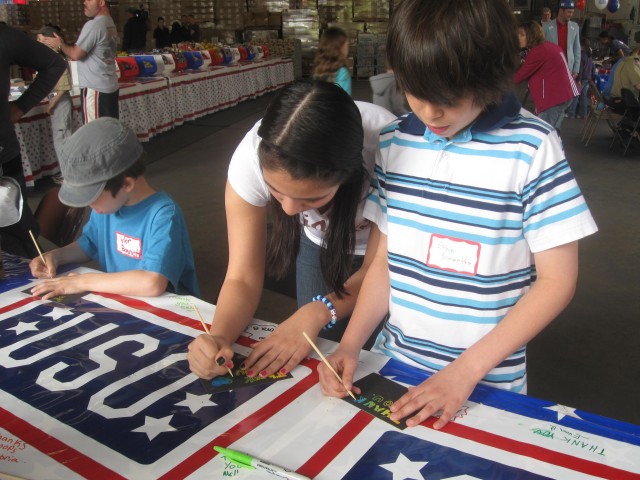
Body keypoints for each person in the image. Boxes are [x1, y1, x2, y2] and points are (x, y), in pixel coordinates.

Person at [318, 0, 597, 431]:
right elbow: (385, 267)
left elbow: (557, 280)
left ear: (487, 75)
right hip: (398, 366)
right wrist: (352, 345)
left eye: (447, 97)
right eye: (415, 91)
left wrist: (464, 373)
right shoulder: (396, 141)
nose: (430, 112)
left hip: (486, 383)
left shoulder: (532, 147)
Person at [186, 81, 395, 380]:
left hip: (385, 257)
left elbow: (378, 268)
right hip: (317, 246)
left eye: (312, 199)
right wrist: (219, 336)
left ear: (348, 175)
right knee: (315, 349)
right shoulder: (250, 159)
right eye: (276, 193)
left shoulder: (387, 149)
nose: (288, 211)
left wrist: (317, 311)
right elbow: (242, 276)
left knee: (369, 359)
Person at [29, 117, 200, 300]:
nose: (90, 206)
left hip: (171, 313)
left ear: (126, 184)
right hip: (124, 304)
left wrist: (82, 282)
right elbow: (90, 244)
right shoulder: (106, 208)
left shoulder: (163, 214)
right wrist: (56, 256)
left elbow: (152, 282)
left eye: (92, 197)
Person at [0, 24, 66, 258]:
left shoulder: (4, 36)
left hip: (3, 160)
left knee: (15, 235)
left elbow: (55, 64)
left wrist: (20, 106)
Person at [41, 0, 119, 124]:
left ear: (101, 2)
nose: (84, 2)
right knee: (108, 131)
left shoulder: (94, 25)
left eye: (89, 0)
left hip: (95, 88)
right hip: (109, 85)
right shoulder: (109, 23)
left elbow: (76, 54)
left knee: (93, 133)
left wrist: (60, 44)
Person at [515, 20, 579, 130]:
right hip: (561, 95)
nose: (518, 37)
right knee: (551, 131)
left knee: (542, 131)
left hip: (554, 98)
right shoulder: (546, 46)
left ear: (531, 35)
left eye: (522, 35)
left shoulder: (538, 51)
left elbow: (518, 77)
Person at [37, 26, 74, 164]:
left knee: (62, 138)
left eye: (41, 39)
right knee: (60, 138)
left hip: (60, 102)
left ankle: (67, 173)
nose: (38, 43)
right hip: (56, 101)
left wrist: (53, 102)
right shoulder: (48, 58)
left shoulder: (56, 58)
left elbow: (64, 86)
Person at [543, 0, 581, 78]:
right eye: (569, 12)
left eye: (572, 12)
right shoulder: (546, 27)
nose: (571, 15)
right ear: (561, 11)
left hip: (568, 69)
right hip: (551, 68)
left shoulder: (575, 27)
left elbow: (577, 49)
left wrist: (576, 69)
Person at [312, 27, 351, 95]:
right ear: (340, 48)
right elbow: (345, 101)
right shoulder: (342, 72)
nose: (348, 46)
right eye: (346, 44)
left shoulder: (318, 70)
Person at [567, 37, 596, 119]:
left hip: (581, 78)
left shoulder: (581, 55)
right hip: (587, 78)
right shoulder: (589, 54)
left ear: (581, 45)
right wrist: (592, 78)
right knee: (584, 96)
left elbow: (580, 69)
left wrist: (578, 80)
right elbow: (593, 67)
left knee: (575, 96)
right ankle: (583, 114)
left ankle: (571, 113)